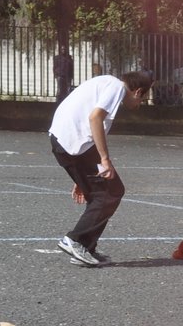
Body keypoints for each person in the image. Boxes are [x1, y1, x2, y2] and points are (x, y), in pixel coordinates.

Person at [48, 69, 153, 266]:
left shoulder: (106, 82)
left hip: (65, 141)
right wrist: (105, 159)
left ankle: (86, 248)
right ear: (138, 92)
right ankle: (76, 240)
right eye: (142, 99)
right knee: (111, 192)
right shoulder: (116, 88)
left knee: (101, 193)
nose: (139, 105)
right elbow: (95, 118)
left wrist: (80, 179)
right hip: (72, 145)